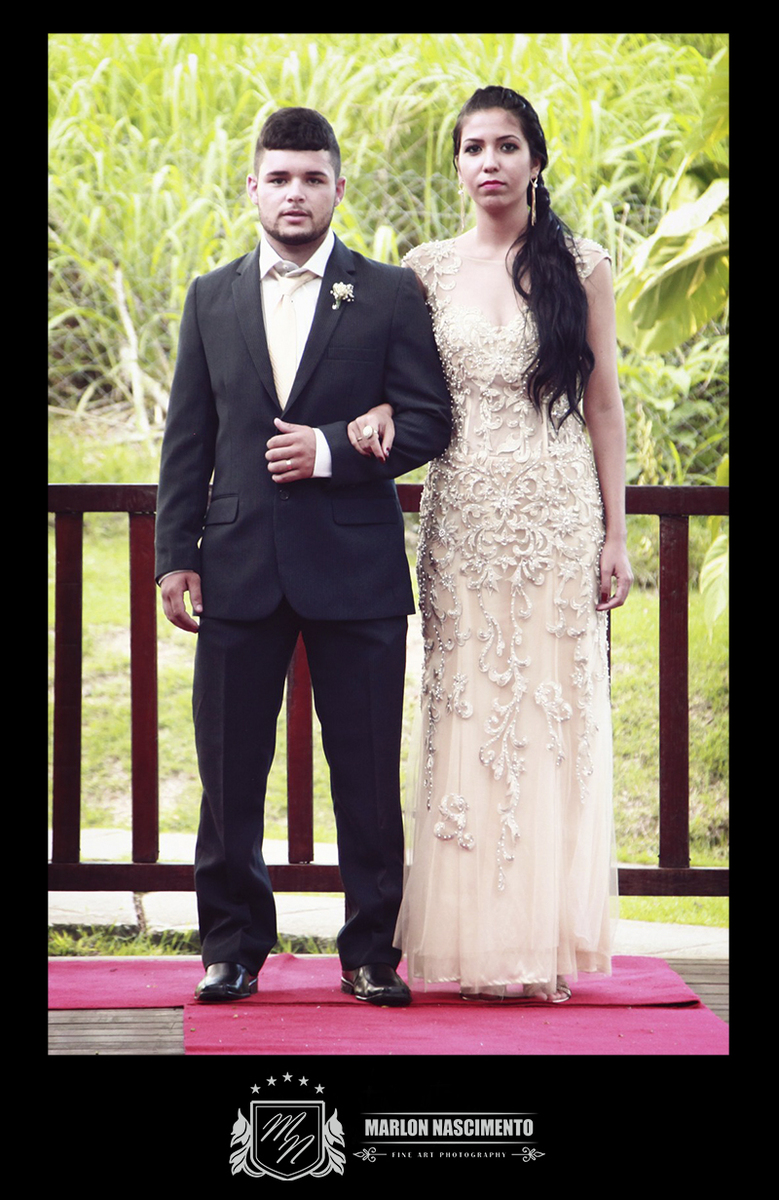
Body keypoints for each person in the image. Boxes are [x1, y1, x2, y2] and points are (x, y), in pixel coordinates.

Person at [155, 107, 452, 1006]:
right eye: (279, 178)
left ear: (337, 188)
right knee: (228, 770)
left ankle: (370, 954)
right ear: (254, 187)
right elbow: (187, 440)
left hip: (356, 570)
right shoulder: (210, 297)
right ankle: (233, 947)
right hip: (237, 563)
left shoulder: (389, 293)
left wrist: (330, 450)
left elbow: (429, 421)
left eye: (312, 178)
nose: (295, 193)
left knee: (364, 771)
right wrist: (175, 556)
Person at [349, 86, 632, 1002]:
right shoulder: (422, 271)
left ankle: (539, 942)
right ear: (457, 165)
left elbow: (602, 407)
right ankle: (472, 944)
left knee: (550, 722)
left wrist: (615, 533)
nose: (489, 163)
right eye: (472, 148)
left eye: (506, 146)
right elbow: (403, 385)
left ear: (535, 160)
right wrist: (380, 409)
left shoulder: (581, 266)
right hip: (462, 517)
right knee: (467, 715)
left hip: (555, 517)